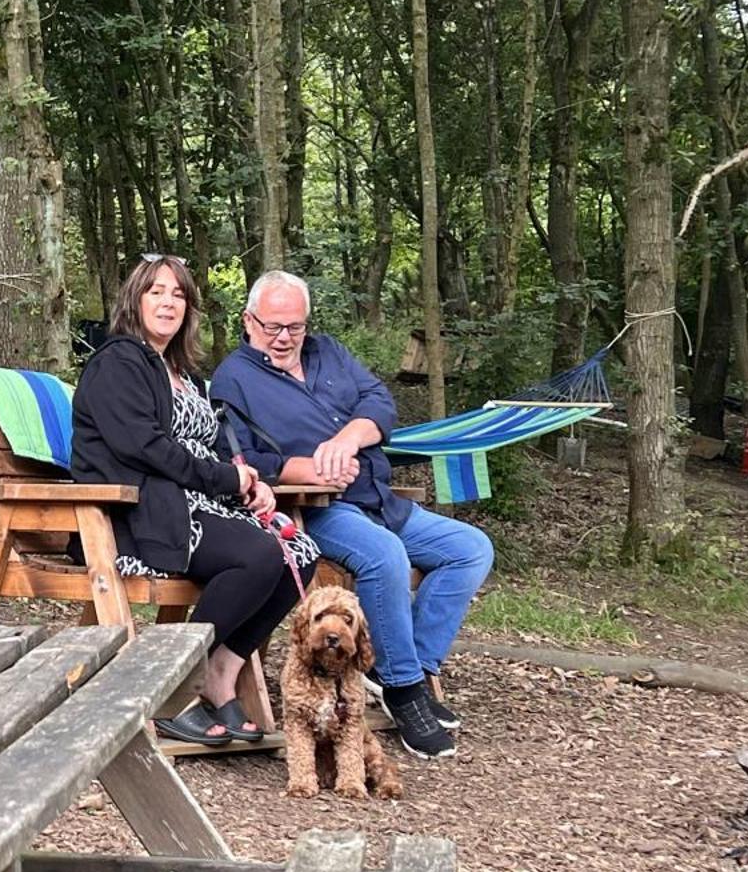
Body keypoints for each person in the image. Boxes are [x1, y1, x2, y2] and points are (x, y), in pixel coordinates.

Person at [210, 270, 493, 761]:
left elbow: (380, 403)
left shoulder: (329, 352)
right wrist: (313, 467)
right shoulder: (234, 378)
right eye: (273, 326)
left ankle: (402, 667)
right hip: (316, 508)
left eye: (294, 327)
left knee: (470, 549)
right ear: (248, 322)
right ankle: (407, 693)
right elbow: (240, 461)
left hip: (379, 496)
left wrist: (346, 440)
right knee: (384, 555)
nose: (284, 338)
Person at [72, 255, 318, 748]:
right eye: (156, 291)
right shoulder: (118, 363)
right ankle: (176, 686)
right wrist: (227, 479)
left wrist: (251, 479)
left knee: (301, 553)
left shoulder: (181, 371)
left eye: (179, 294)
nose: (168, 302)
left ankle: (218, 673)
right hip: (139, 515)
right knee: (261, 555)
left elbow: (215, 447)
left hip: (194, 502)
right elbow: (145, 447)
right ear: (134, 300)